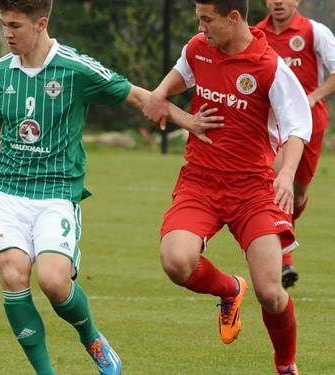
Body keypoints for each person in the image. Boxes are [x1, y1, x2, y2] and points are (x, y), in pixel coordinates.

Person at [0, 1, 224, 374]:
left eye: (14, 25)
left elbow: (137, 95)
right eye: (3, 25)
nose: (7, 34)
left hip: (56, 193)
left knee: (52, 281)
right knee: (13, 273)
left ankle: (92, 337)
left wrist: (187, 120)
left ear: (41, 23)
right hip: (7, 192)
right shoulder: (0, 72)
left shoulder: (76, 68)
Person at [143, 0, 312, 374]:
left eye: (208, 20)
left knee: (270, 292)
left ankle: (286, 365)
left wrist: (285, 175)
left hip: (252, 189)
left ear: (233, 18)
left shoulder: (269, 67)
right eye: (199, 20)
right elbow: (163, 92)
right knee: (175, 261)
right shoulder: (198, 48)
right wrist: (175, 111)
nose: (201, 28)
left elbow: (299, 126)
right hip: (200, 181)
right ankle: (229, 290)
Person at [256, 0, 335, 289]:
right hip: (273, 126)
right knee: (277, 183)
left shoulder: (314, 32)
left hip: (309, 125)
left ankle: (290, 223)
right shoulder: (255, 33)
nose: (278, 1)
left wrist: (313, 96)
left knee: (298, 193)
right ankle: (284, 259)